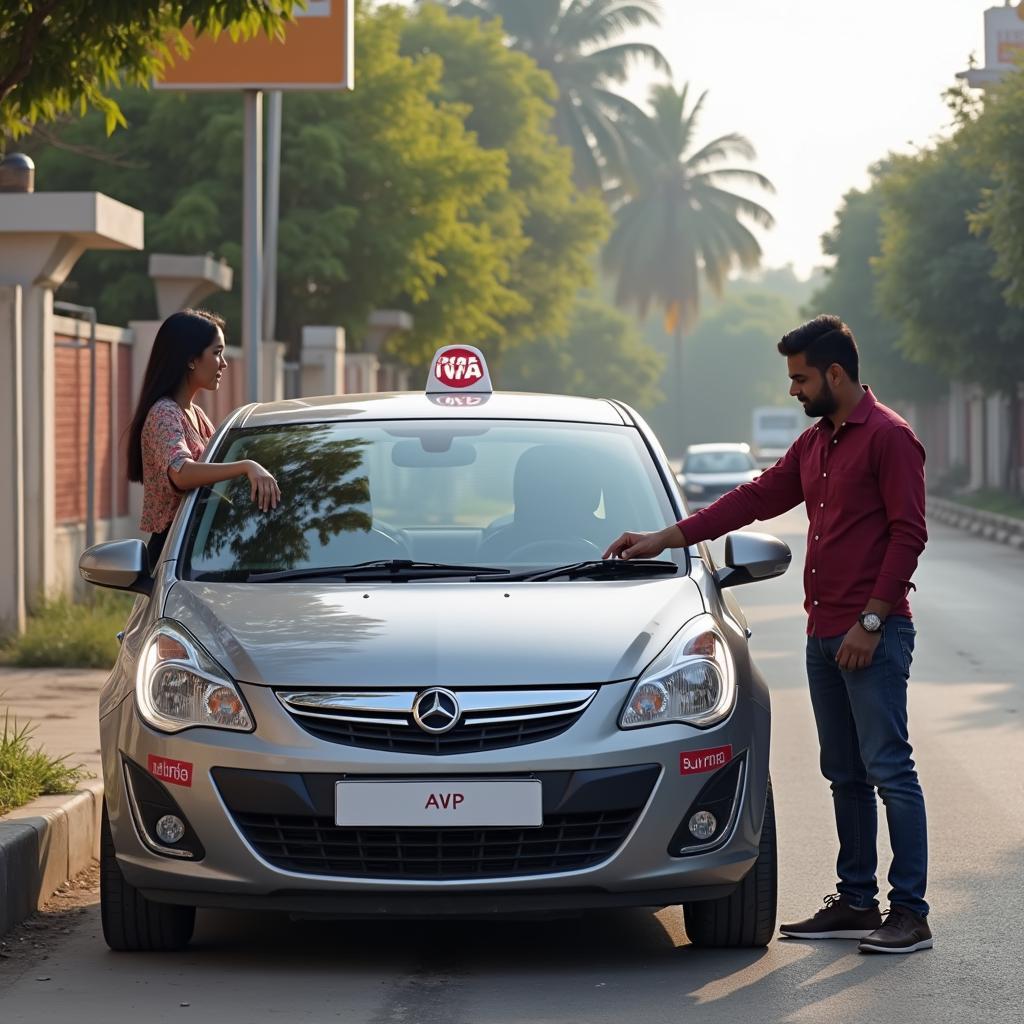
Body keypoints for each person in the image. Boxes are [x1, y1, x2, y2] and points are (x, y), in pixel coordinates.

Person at [604, 315, 932, 955]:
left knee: (890, 769)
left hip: (872, 635)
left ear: (835, 374)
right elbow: (753, 499)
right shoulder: (817, 445)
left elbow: (908, 535)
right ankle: (858, 901)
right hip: (824, 635)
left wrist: (870, 620)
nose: (794, 391)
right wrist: (661, 539)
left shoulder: (890, 439)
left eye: (801, 378)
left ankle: (911, 913)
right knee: (843, 772)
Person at [126, 309, 280, 568]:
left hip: (200, 549)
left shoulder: (195, 414)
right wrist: (246, 467)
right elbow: (182, 473)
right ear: (191, 359)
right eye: (217, 352)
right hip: (172, 554)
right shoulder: (164, 413)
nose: (224, 363)